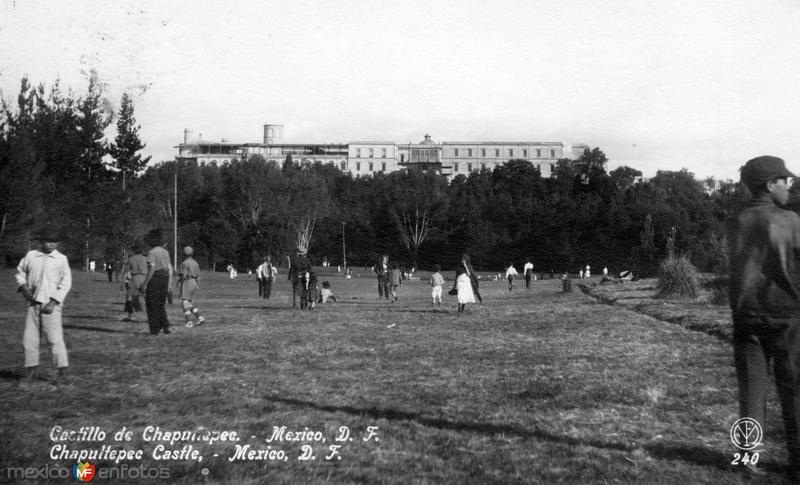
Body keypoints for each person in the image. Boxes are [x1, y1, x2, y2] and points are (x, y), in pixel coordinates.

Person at [729, 155, 800, 478]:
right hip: (786, 315)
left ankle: (747, 459)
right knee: (794, 390)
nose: (790, 184)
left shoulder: (736, 220)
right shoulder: (790, 220)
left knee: (751, 389)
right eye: (785, 180)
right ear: (770, 185)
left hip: (746, 315)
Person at [15, 226, 72, 382]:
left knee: (54, 338)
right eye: (48, 241)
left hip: (50, 306)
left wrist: (53, 302)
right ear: (41, 242)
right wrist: (24, 287)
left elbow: (66, 283)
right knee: (29, 339)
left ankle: (62, 371)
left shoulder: (61, 259)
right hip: (33, 304)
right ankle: (31, 370)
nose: (51, 245)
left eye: (55, 242)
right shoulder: (31, 256)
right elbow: (20, 272)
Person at [141, 229, 173, 335]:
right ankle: (165, 325)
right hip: (165, 277)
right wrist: (169, 283)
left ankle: (154, 329)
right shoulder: (165, 252)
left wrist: (145, 283)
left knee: (151, 304)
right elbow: (169, 268)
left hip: (155, 278)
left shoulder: (152, 252)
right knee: (160, 304)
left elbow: (151, 270)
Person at [178, 246, 205, 328]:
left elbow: (183, 275)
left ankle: (189, 322)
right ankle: (200, 317)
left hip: (187, 282)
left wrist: (179, 284)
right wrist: (196, 285)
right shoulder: (195, 263)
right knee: (189, 303)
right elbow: (198, 276)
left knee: (184, 303)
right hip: (194, 282)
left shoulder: (184, 263)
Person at [123, 243, 147, 322]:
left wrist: (123, 282)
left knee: (129, 297)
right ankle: (152, 315)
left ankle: (131, 315)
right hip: (144, 279)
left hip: (134, 279)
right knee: (147, 298)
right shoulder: (146, 259)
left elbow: (126, 271)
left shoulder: (131, 259)